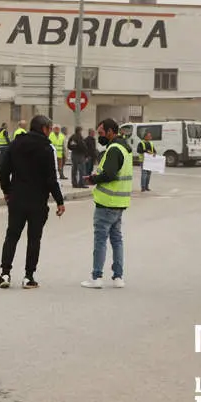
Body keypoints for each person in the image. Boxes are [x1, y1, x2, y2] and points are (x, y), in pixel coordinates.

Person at [0, 115, 65, 289]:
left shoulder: (16, 144)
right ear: (43, 129)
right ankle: (28, 277)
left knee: (12, 236)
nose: (50, 132)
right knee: (34, 239)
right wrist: (59, 200)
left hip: (17, 198)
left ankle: (5, 273)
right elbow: (51, 179)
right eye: (49, 129)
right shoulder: (46, 149)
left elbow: (3, 169)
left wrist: (6, 190)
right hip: (37, 201)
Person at [81, 118, 133, 289]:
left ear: (111, 131)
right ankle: (118, 277)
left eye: (102, 133)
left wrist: (92, 179)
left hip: (107, 202)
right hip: (120, 202)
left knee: (100, 240)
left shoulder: (114, 149)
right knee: (117, 240)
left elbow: (109, 174)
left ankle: (96, 277)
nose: (100, 136)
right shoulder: (125, 148)